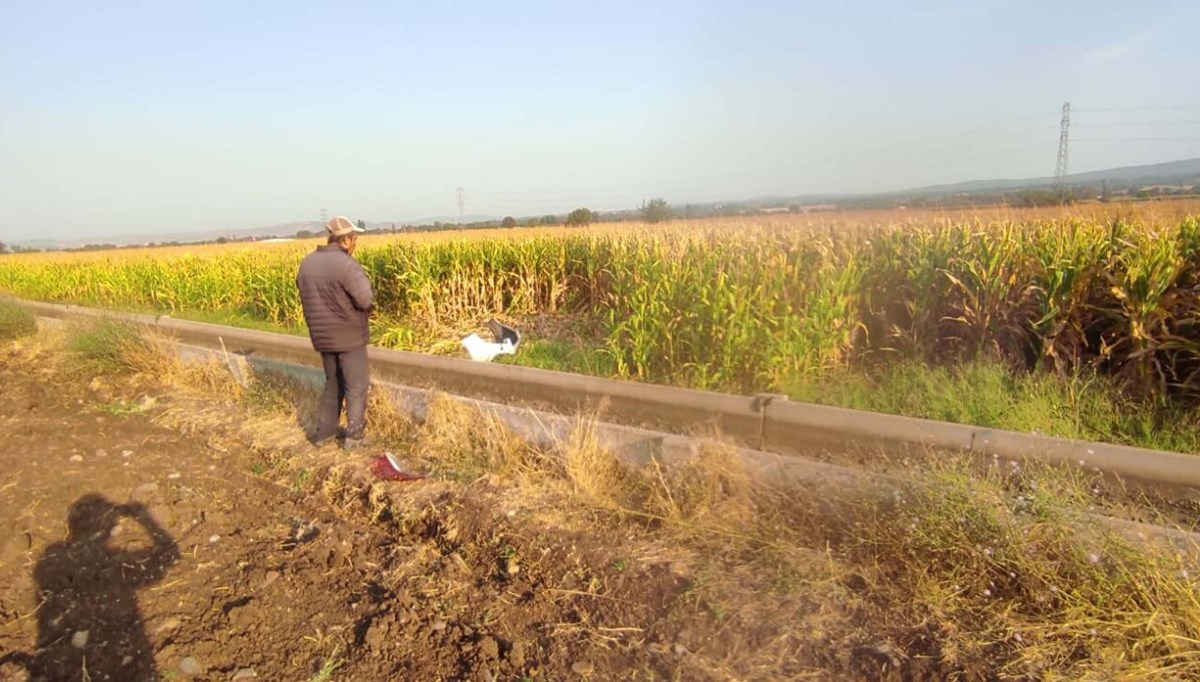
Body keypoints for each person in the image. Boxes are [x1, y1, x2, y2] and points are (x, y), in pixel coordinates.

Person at [296, 215, 373, 450]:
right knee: (356, 384)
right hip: (348, 336)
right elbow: (365, 298)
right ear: (346, 240)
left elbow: (303, 292)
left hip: (322, 337)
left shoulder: (307, 263)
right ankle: (354, 436)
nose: (356, 243)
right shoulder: (346, 265)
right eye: (355, 238)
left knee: (333, 383)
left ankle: (323, 434)